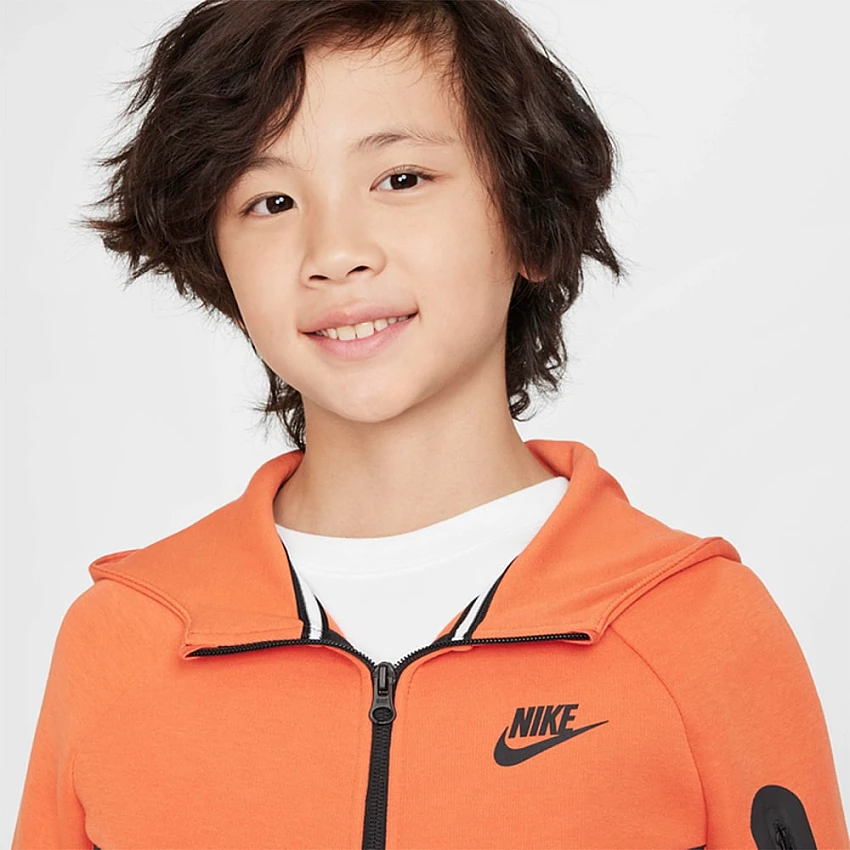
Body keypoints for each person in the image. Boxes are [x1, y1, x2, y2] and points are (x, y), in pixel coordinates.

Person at [12, 0, 848, 848]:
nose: (334, 252)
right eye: (271, 200)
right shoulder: (125, 640)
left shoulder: (697, 627)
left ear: (529, 223)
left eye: (401, 180)